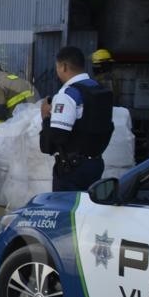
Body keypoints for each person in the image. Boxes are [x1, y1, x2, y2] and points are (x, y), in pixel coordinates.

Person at [40, 45, 114, 191]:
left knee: (66, 211)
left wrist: (46, 117)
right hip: (95, 164)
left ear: (64, 67)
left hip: (72, 170)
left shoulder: (67, 94)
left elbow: (57, 137)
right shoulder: (97, 88)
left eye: (57, 67)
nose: (57, 71)